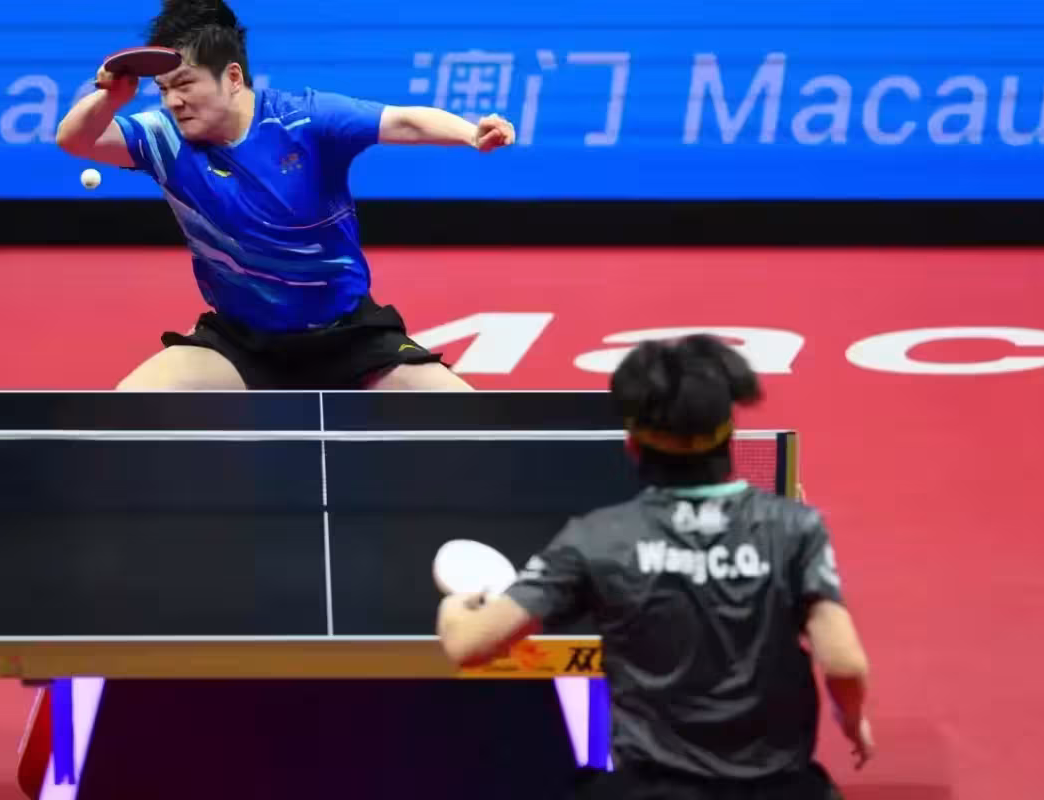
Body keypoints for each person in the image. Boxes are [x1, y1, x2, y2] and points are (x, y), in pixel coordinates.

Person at [436, 335, 874, 800]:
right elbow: (843, 663)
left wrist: (458, 608)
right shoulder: (794, 527)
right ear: (730, 436)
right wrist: (851, 719)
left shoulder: (597, 539)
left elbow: (470, 645)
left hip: (653, 790)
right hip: (778, 789)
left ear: (632, 446)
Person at [55, 0, 515, 391]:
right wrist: (110, 99)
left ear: (232, 77)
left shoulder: (303, 121)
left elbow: (403, 121)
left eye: (185, 84)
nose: (173, 101)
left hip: (347, 336)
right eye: (164, 89)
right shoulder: (164, 138)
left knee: (461, 412)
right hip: (242, 343)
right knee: (129, 405)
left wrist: (471, 133)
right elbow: (74, 140)